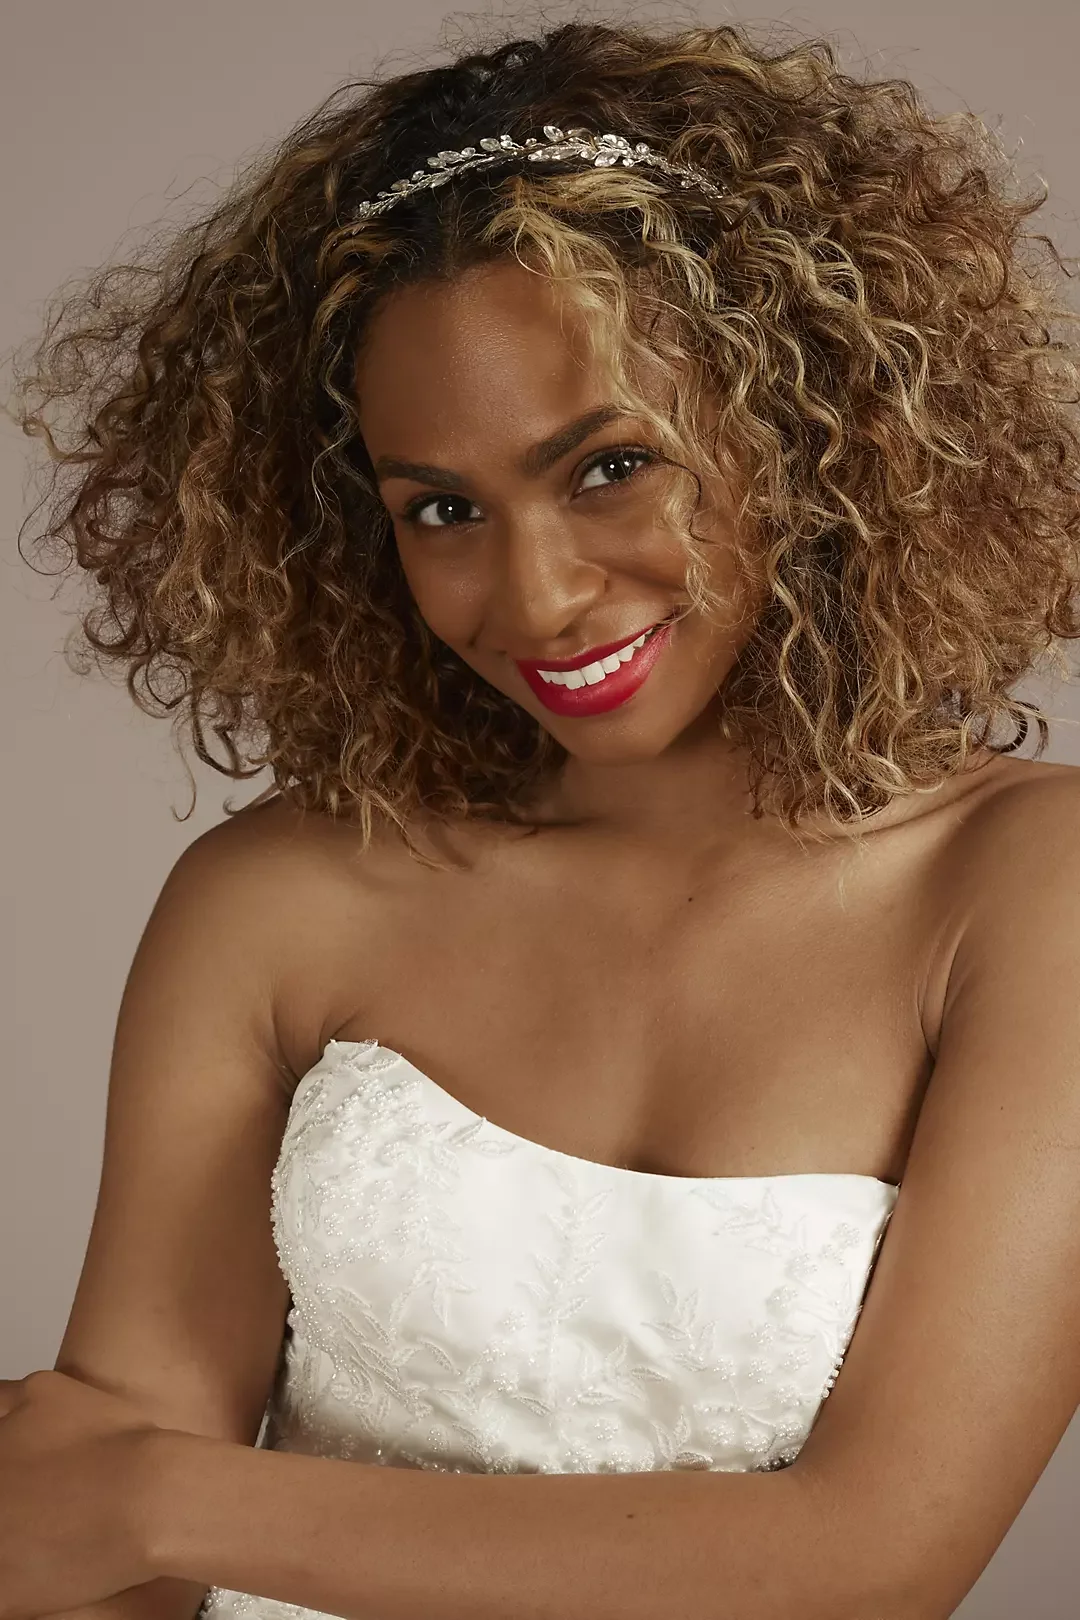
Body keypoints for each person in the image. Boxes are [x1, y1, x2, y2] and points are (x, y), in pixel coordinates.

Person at [3, 17, 1080, 1620]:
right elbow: (75, 1536)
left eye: (609, 468)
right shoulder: (279, 897)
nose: (537, 596)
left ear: (805, 428)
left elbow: (870, 1557)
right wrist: (130, 1512)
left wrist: (172, 1500)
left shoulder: (1025, 888)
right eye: (442, 508)